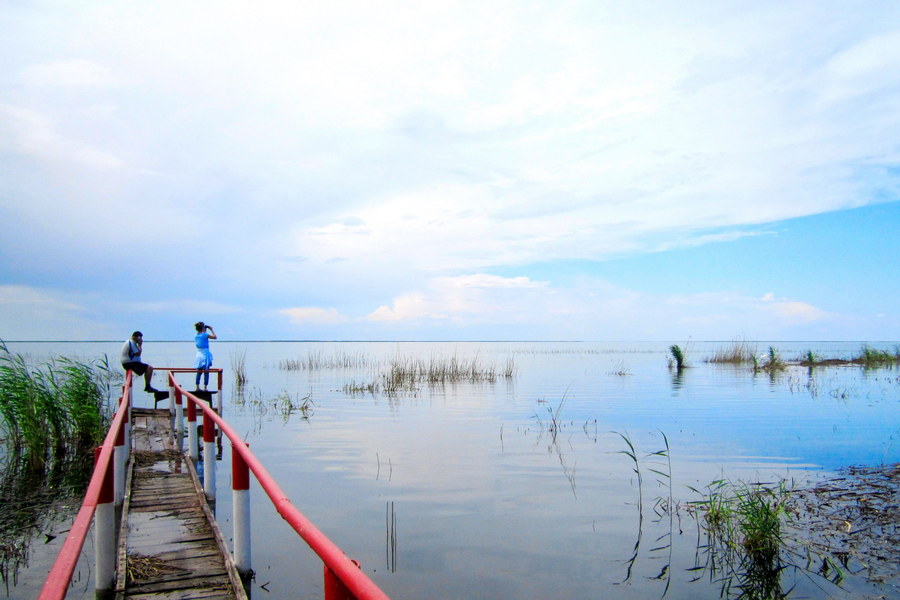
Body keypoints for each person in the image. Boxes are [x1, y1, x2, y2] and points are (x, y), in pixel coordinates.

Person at [193, 321, 217, 389]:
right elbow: (215, 337)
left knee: (199, 372)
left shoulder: (195, 335)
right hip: (206, 354)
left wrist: (204, 328)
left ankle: (197, 387)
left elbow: (201, 334)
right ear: (203, 328)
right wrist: (211, 329)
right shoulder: (205, 335)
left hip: (199, 354)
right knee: (206, 371)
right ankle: (205, 387)